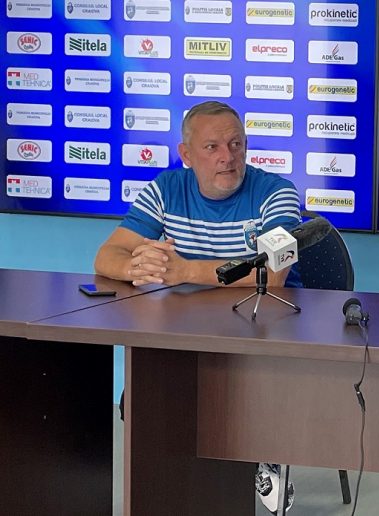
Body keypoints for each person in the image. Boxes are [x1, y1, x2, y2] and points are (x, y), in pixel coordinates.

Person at [93, 100, 302, 514]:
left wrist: (185, 270)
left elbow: (273, 273)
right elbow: (106, 256)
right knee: (144, 399)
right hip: (187, 330)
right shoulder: (166, 189)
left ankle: (257, 456)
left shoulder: (277, 192)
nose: (228, 157)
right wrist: (138, 265)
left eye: (236, 144)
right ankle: (178, 481)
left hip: (261, 328)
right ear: (186, 155)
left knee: (232, 399)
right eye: (212, 147)